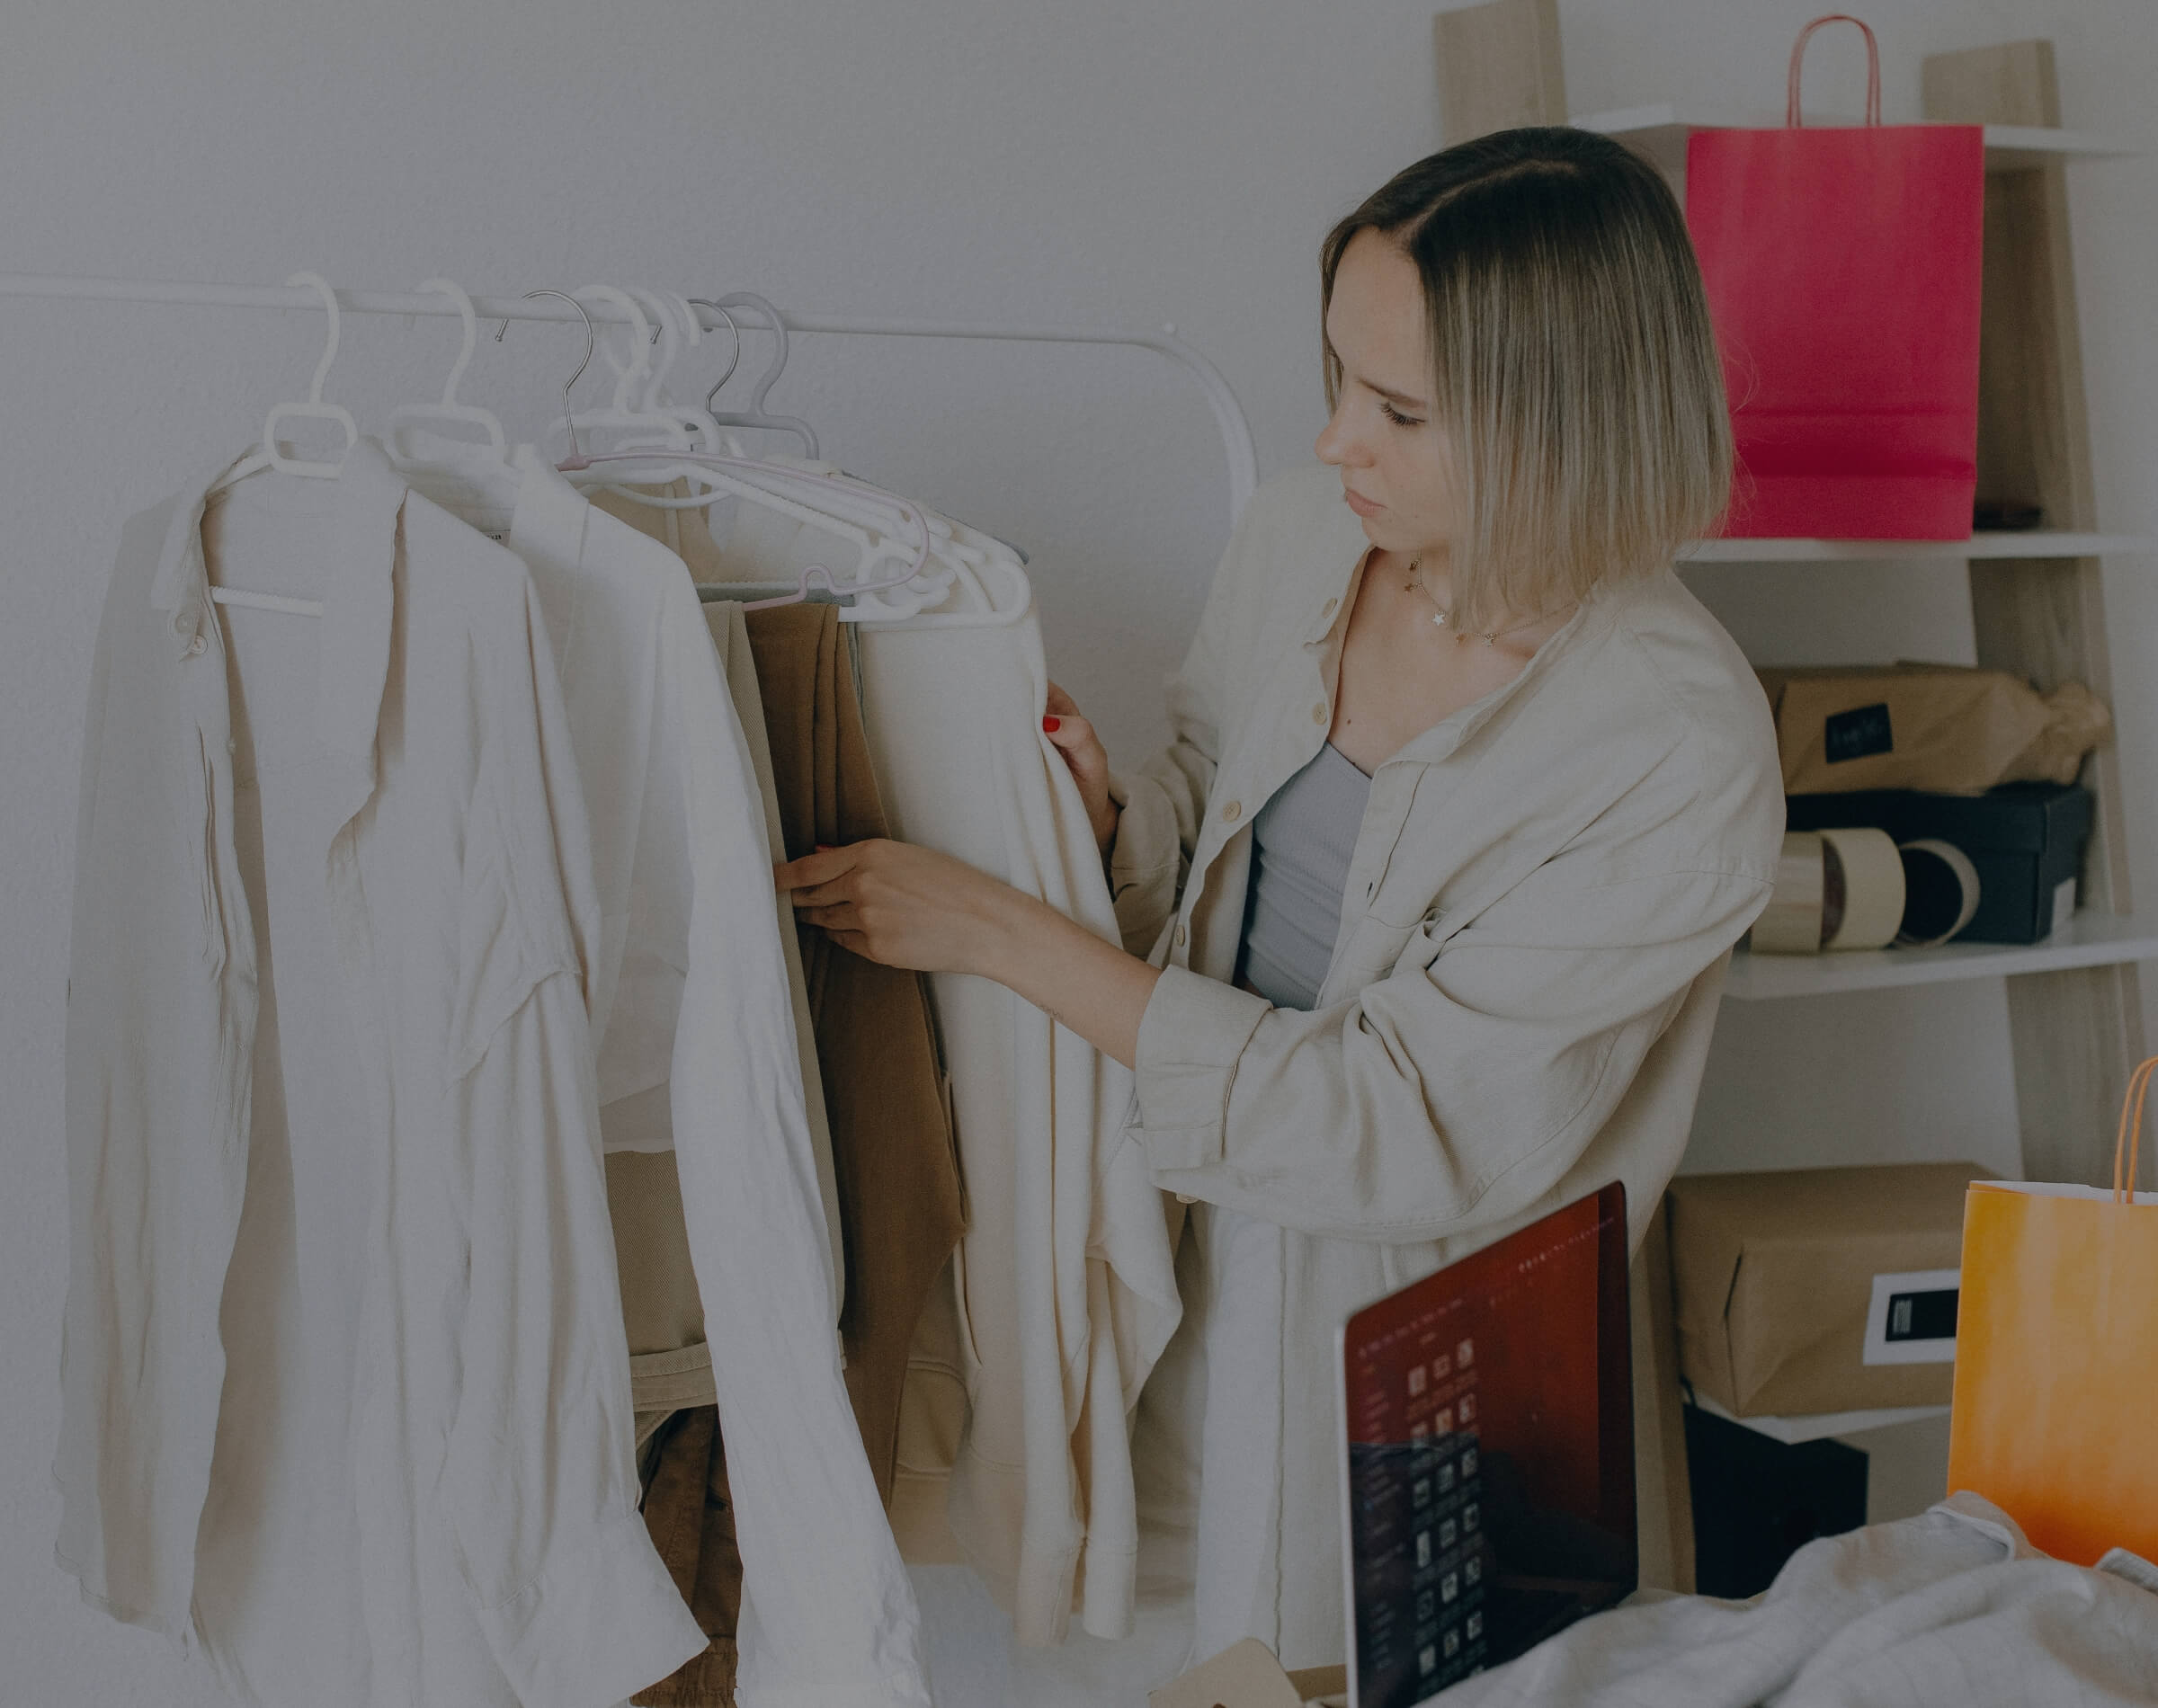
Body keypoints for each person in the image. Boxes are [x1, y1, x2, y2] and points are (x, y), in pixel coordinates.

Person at [777, 126, 1783, 1674]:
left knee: (1320, 1667)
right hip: (1163, 1249)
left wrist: (997, 932)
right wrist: (1111, 817)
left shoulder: (1675, 744)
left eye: (1397, 411)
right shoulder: (1311, 538)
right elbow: (1208, 802)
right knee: (1132, 1648)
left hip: (1405, 1362)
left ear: (1561, 424)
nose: (1333, 441)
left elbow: (1401, 1123)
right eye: (1336, 379)